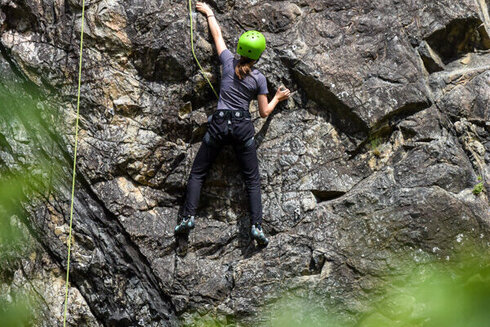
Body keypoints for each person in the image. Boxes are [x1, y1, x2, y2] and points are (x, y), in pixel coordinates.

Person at [175, 1, 291, 245]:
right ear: (259, 55)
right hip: (241, 126)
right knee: (251, 180)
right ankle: (257, 227)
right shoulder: (259, 78)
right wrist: (277, 98)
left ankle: (188, 218)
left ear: (239, 48)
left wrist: (209, 12)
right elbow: (263, 112)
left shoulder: (228, 62)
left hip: (218, 124)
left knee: (197, 173)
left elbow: (216, 35)